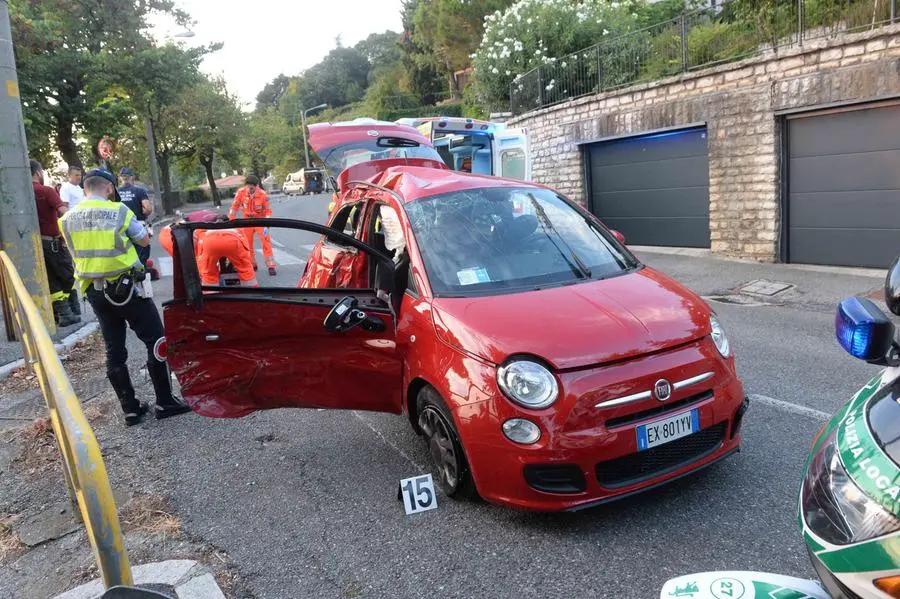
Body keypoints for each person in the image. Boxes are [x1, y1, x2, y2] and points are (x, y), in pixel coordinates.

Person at [59, 168, 191, 426]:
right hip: (126, 287)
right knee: (156, 339)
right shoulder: (118, 211)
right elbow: (142, 240)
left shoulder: (67, 218)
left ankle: (130, 409)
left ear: (85, 188)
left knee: (114, 349)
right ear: (109, 188)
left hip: (94, 292)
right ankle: (165, 401)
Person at [31, 160, 81, 327]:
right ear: (38, 172)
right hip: (52, 244)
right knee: (67, 275)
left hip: (34, 246)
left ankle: (63, 313)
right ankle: (69, 312)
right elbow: (64, 213)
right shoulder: (46, 191)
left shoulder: (21, 193)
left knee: (51, 280)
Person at [158, 214, 258, 287]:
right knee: (245, 269)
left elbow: (198, 250)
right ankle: (253, 294)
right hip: (233, 241)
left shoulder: (202, 225)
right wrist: (249, 263)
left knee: (208, 272)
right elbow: (246, 248)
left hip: (208, 241)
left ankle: (210, 296)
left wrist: (203, 268)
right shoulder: (237, 227)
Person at [228, 175, 276, 276]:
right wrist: (231, 221)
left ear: (256, 186)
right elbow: (234, 207)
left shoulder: (263, 195)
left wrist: (267, 224)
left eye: (252, 188)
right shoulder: (240, 193)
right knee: (247, 244)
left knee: (266, 242)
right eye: (248, 187)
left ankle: (271, 266)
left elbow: (268, 210)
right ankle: (252, 264)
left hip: (260, 221)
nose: (249, 190)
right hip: (247, 221)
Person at [118, 167, 153, 267]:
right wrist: (143, 214)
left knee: (124, 253)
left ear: (120, 178)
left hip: (120, 227)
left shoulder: (115, 192)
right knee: (142, 253)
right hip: (138, 225)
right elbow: (148, 209)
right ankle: (142, 274)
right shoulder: (139, 191)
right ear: (132, 178)